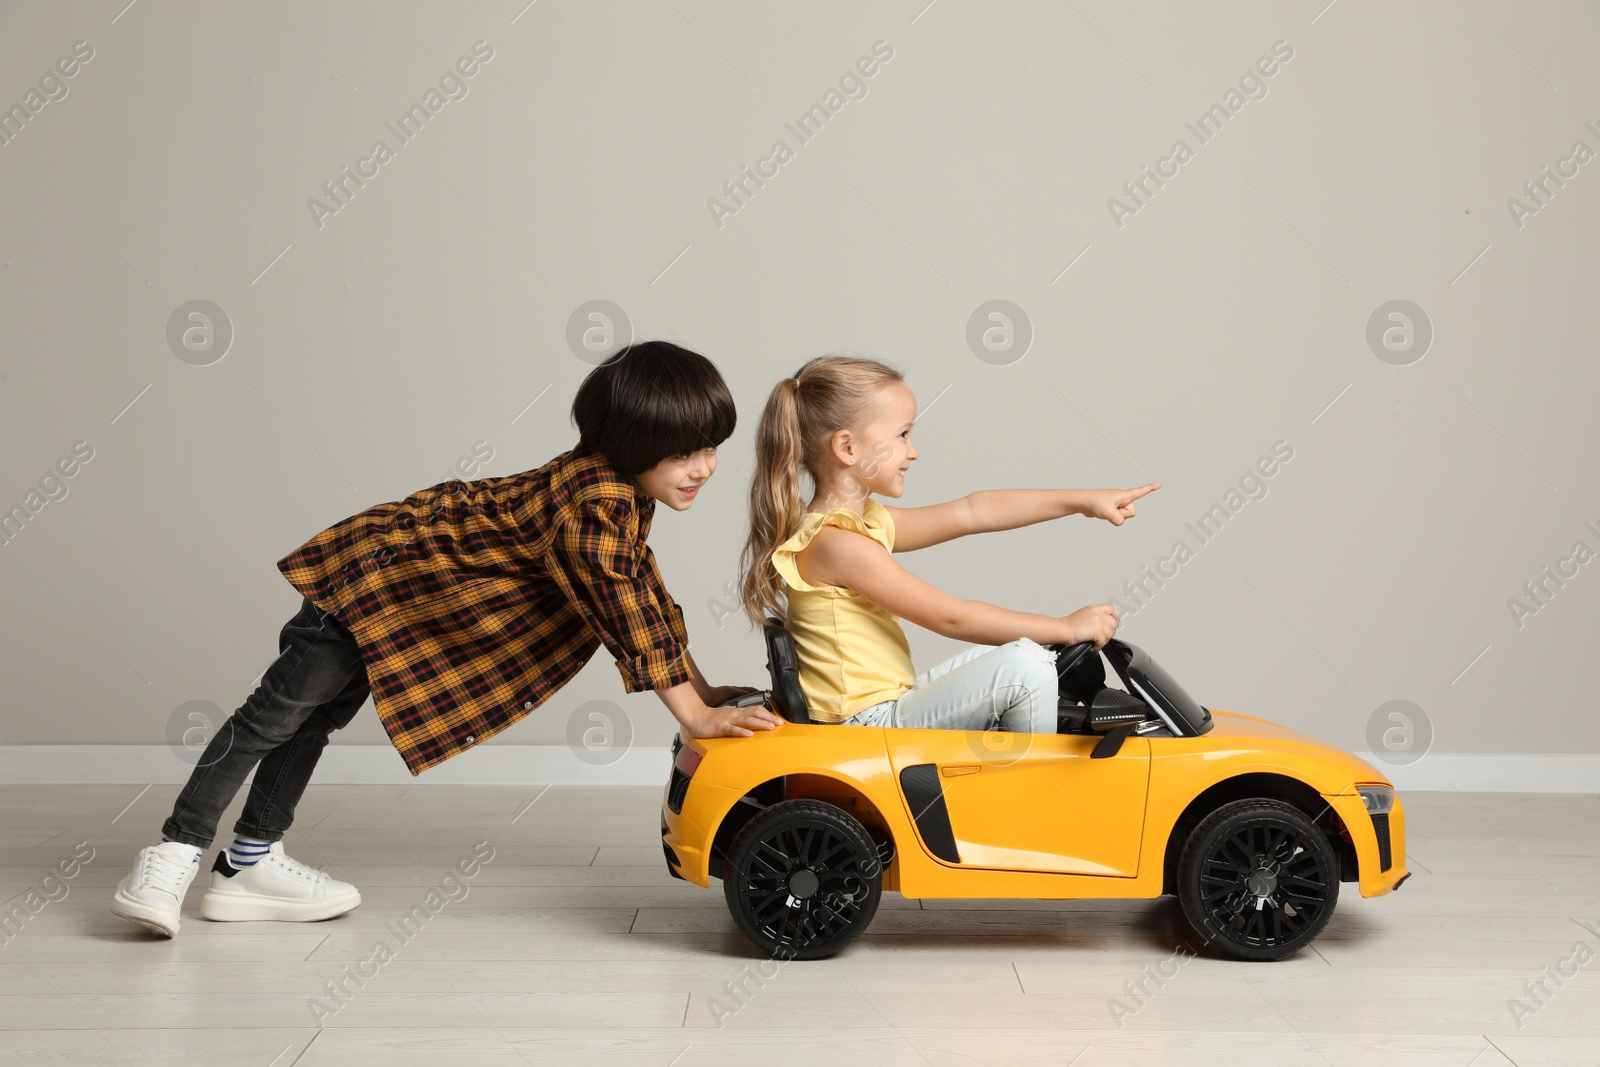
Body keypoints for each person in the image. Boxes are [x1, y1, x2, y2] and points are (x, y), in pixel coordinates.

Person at [112, 341, 782, 937]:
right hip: (371, 584)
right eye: (684, 453)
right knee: (273, 716)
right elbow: (623, 609)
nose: (705, 468)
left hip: (402, 603)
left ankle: (248, 864)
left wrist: (702, 688)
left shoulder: (616, 493)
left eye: (710, 448)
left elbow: (643, 594)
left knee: (311, 721)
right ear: (630, 442)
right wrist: (695, 714)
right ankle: (174, 852)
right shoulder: (591, 506)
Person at [737, 354, 1159, 731]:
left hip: (885, 706)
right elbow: (950, 618)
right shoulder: (838, 544)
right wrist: (1065, 628)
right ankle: (1027, 804)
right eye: (903, 434)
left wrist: (1082, 501)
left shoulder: (865, 524)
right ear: (847, 447)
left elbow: (973, 511)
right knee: (1028, 667)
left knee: (1024, 655)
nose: (914, 451)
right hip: (866, 723)